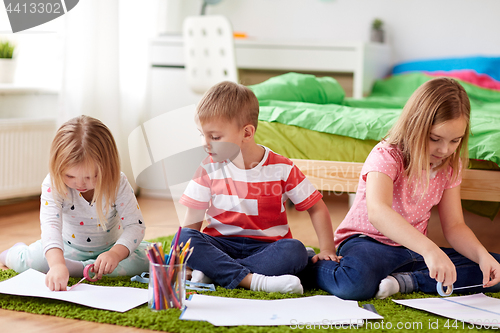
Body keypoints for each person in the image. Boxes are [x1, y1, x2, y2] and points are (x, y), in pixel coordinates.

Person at [305, 77, 500, 300]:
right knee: (355, 284)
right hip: (369, 243)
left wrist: (481, 255)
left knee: (495, 269)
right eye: (435, 138)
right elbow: (378, 213)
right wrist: (430, 250)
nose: (444, 149)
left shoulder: (451, 164)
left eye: (455, 141)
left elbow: (455, 225)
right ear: (415, 125)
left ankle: (405, 281)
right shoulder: (387, 155)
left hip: (412, 250)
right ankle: (310, 265)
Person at [176, 81, 338, 294]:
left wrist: (327, 248)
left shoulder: (282, 167)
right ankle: (253, 280)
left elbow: (316, 207)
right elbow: (193, 219)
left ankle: (217, 273)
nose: (206, 144)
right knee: (183, 238)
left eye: (215, 137)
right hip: (221, 246)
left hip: (267, 248)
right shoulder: (208, 167)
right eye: (202, 134)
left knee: (295, 251)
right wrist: (186, 260)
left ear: (246, 133)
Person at [0, 115, 149, 291]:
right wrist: (56, 265)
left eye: (90, 177)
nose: (80, 184)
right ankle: (12, 254)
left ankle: (77, 267)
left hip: (110, 249)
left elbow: (135, 226)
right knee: (32, 262)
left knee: (150, 261)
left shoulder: (118, 182)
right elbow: (51, 227)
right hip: (65, 249)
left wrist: (115, 254)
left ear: (108, 168)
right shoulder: (53, 183)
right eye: (69, 176)